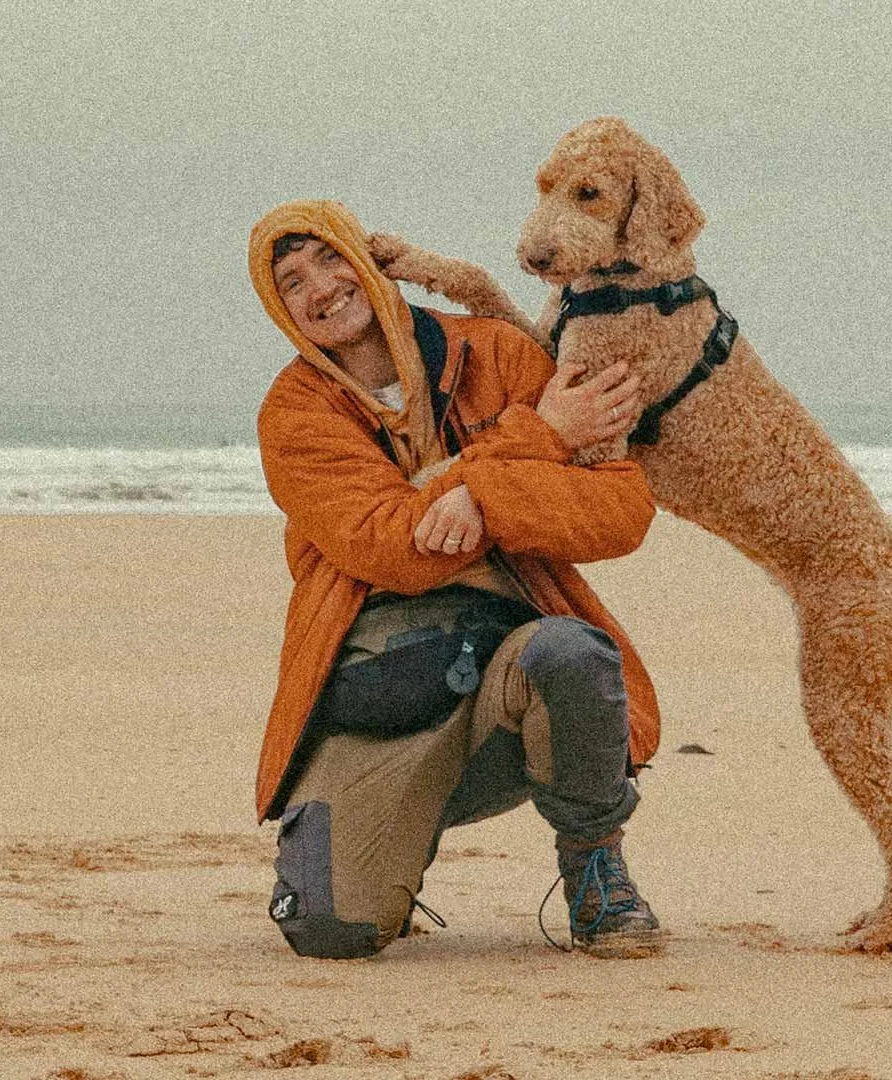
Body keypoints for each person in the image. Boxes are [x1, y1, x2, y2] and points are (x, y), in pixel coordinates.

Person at [246, 199, 664, 959]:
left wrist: (485, 497)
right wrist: (539, 436)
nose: (321, 287)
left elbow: (622, 506)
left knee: (573, 655)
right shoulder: (294, 414)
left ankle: (594, 864)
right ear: (283, 311)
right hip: (379, 691)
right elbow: (391, 545)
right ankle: (394, 835)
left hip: (507, 675)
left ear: (368, 259)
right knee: (329, 929)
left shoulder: (499, 356)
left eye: (331, 257)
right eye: (292, 280)